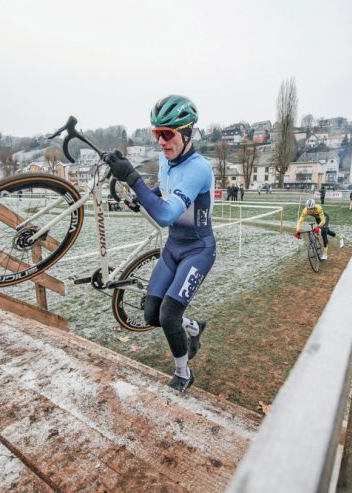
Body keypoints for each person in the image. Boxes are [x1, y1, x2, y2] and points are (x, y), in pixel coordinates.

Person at [104, 95, 213, 393]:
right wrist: (139, 194)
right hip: (173, 247)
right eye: (156, 134)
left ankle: (183, 372)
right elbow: (163, 191)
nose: (161, 142)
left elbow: (165, 214)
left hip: (198, 250)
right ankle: (194, 328)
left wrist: (133, 178)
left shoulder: (198, 169)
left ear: (188, 133)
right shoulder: (167, 161)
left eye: (168, 134)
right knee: (152, 314)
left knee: (168, 315)